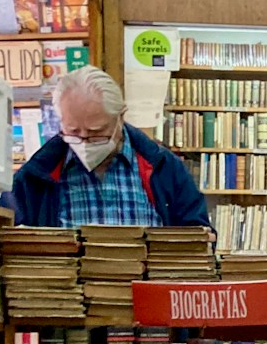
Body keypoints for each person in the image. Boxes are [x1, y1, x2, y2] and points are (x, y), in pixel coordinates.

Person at [12, 65, 209, 228]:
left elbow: (197, 236)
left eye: (96, 133)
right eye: (73, 132)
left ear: (120, 118)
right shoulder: (33, 177)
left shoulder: (165, 168)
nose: (84, 144)